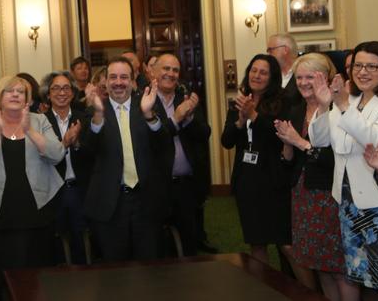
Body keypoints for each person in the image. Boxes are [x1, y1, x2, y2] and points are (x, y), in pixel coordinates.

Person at [274, 53, 357, 301]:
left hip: (331, 195)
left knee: (338, 266)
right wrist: (287, 145)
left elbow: (335, 159)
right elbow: (289, 162)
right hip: (303, 195)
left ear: (326, 77)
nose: (303, 82)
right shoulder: (295, 108)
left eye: (310, 76)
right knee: (319, 264)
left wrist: (298, 142)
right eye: (299, 77)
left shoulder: (339, 107)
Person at [309, 41, 378, 298]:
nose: (363, 71)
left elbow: (372, 139)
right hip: (347, 202)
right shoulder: (348, 100)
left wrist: (342, 106)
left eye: (372, 66)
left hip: (377, 204)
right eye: (358, 66)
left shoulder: (371, 104)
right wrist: (322, 105)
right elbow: (319, 141)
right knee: (358, 274)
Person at [81, 56, 169, 261]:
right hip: (110, 204)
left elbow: (164, 145)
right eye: (113, 77)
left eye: (123, 77)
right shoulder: (93, 110)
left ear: (132, 80)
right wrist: (98, 116)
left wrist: (149, 115)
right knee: (115, 271)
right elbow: (88, 151)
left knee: (150, 267)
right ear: (105, 82)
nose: (118, 82)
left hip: (146, 202)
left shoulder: (148, 105)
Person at [0, 75, 65, 269]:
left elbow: (57, 154)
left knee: (40, 270)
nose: (15, 94)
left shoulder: (40, 121)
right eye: (10, 90)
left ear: (28, 99)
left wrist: (29, 130)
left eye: (21, 92)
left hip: (38, 207)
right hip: (2, 209)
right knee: (9, 270)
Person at [221, 54, 290, 265]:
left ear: (272, 77)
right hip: (247, 179)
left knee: (285, 242)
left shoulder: (283, 102)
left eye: (263, 72)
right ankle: (264, 288)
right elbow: (227, 141)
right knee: (256, 241)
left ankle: (303, 290)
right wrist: (240, 122)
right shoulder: (239, 101)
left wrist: (254, 117)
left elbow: (281, 139)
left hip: (273, 179)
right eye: (253, 70)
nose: (257, 75)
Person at [151, 53, 212, 256]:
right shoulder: (143, 102)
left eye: (175, 70)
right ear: (153, 72)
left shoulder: (186, 99)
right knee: (159, 246)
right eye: (165, 69)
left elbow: (205, 133)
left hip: (185, 186)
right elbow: (151, 141)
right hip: (157, 186)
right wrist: (176, 119)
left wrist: (190, 118)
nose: (171, 74)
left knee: (189, 244)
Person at [40, 71, 90, 264]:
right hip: (53, 191)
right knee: (56, 244)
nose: (62, 92)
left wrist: (76, 144)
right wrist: (64, 142)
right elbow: (41, 156)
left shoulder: (83, 118)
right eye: (56, 88)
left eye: (66, 87)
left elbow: (94, 155)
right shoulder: (39, 121)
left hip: (79, 189)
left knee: (82, 243)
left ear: (73, 92)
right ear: (48, 94)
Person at [267, 33, 301, 103]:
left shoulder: (306, 73)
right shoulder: (269, 75)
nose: (268, 54)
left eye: (271, 50)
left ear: (285, 50)